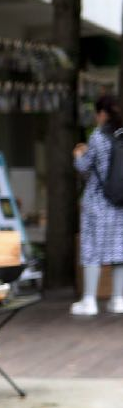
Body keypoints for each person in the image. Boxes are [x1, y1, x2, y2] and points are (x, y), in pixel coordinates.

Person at [72, 93, 123, 316]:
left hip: (97, 202)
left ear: (102, 113)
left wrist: (78, 154)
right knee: (120, 251)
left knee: (92, 249)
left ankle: (89, 300)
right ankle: (119, 299)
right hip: (120, 203)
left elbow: (85, 167)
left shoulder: (98, 137)